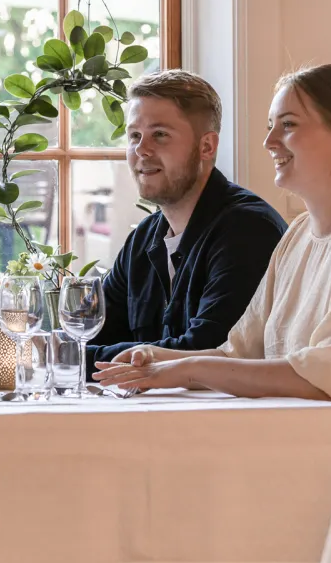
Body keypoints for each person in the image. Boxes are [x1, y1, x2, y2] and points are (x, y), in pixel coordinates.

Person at [94, 64, 331, 446]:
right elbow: (240, 351)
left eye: (288, 125)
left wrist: (185, 369)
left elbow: (330, 380)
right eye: (271, 125)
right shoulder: (299, 235)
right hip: (287, 443)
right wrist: (149, 357)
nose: (269, 141)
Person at [86, 70, 288, 368]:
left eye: (160, 135)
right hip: (156, 411)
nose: (141, 150)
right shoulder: (143, 239)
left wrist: (67, 356)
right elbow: (88, 336)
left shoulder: (247, 230)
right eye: (134, 136)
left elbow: (204, 350)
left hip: (226, 413)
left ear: (207, 147)